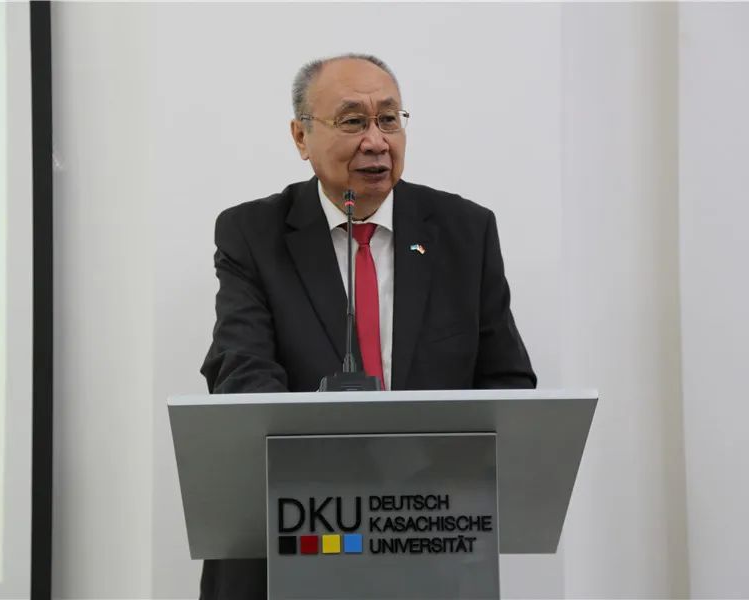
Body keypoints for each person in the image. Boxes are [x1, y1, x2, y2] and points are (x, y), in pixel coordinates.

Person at [198, 53, 536, 600]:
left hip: (428, 542)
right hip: (292, 538)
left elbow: (507, 385)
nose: (376, 141)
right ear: (301, 136)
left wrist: (413, 486)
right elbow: (242, 378)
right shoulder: (252, 234)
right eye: (353, 121)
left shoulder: (464, 232)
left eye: (389, 119)